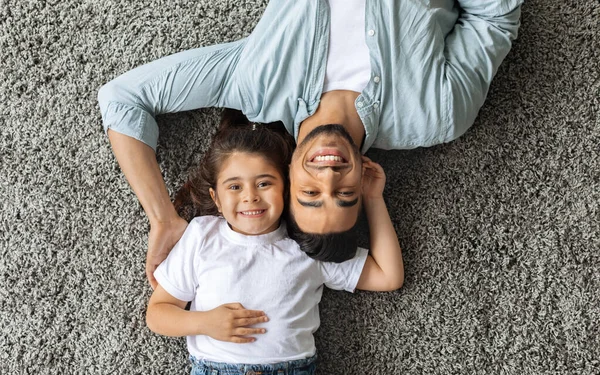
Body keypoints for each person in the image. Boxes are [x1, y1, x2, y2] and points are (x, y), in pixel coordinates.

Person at [98, 0, 523, 286]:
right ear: (366, 178)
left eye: (310, 193)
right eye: (344, 193)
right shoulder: (435, 114)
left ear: (283, 176)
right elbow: (494, 19)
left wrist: (163, 219)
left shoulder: (255, 83)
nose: (329, 174)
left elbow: (123, 98)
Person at [146, 112, 403, 375]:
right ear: (216, 198)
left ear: (288, 188)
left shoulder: (307, 239)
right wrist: (204, 323)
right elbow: (158, 313)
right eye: (234, 187)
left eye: (264, 183)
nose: (250, 196)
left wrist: (373, 199)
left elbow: (388, 276)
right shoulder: (202, 235)